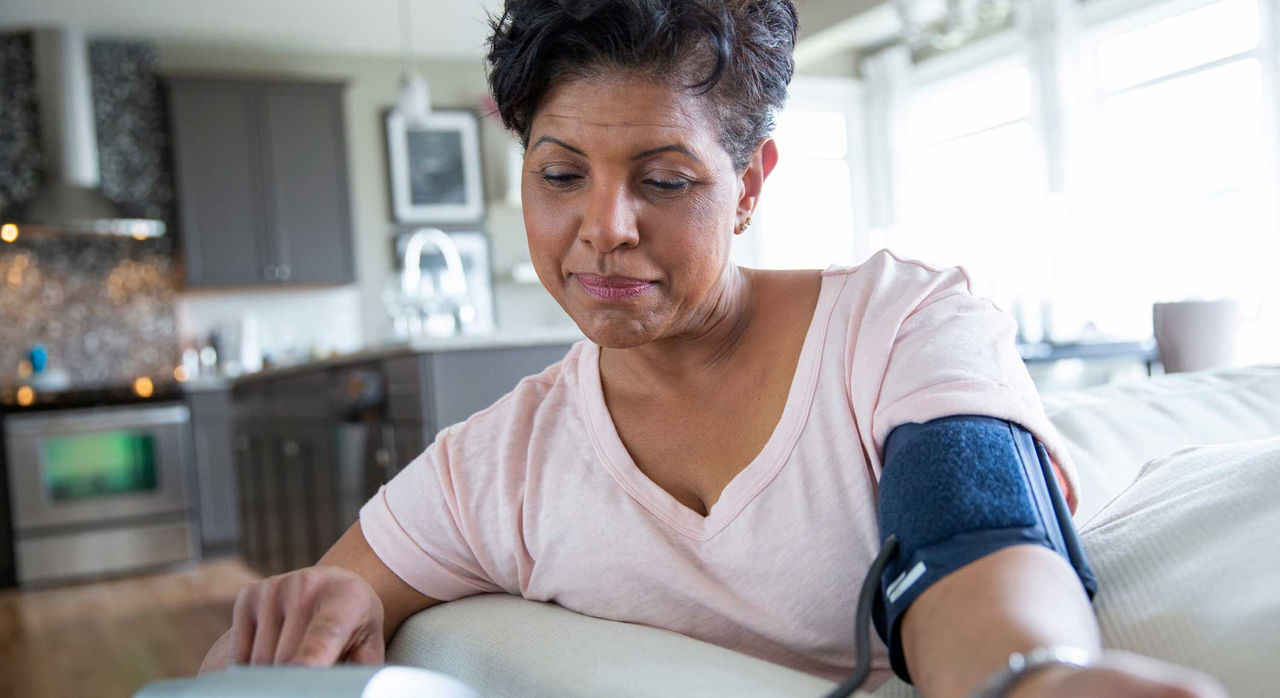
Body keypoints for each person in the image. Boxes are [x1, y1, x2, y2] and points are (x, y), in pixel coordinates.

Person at [201, 1, 1225, 696]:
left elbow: (970, 537)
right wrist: (318, 606)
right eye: (560, 175)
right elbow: (298, 620)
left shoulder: (901, 324)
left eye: (663, 179)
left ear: (751, 181)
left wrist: (1033, 678)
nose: (603, 226)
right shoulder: (494, 467)